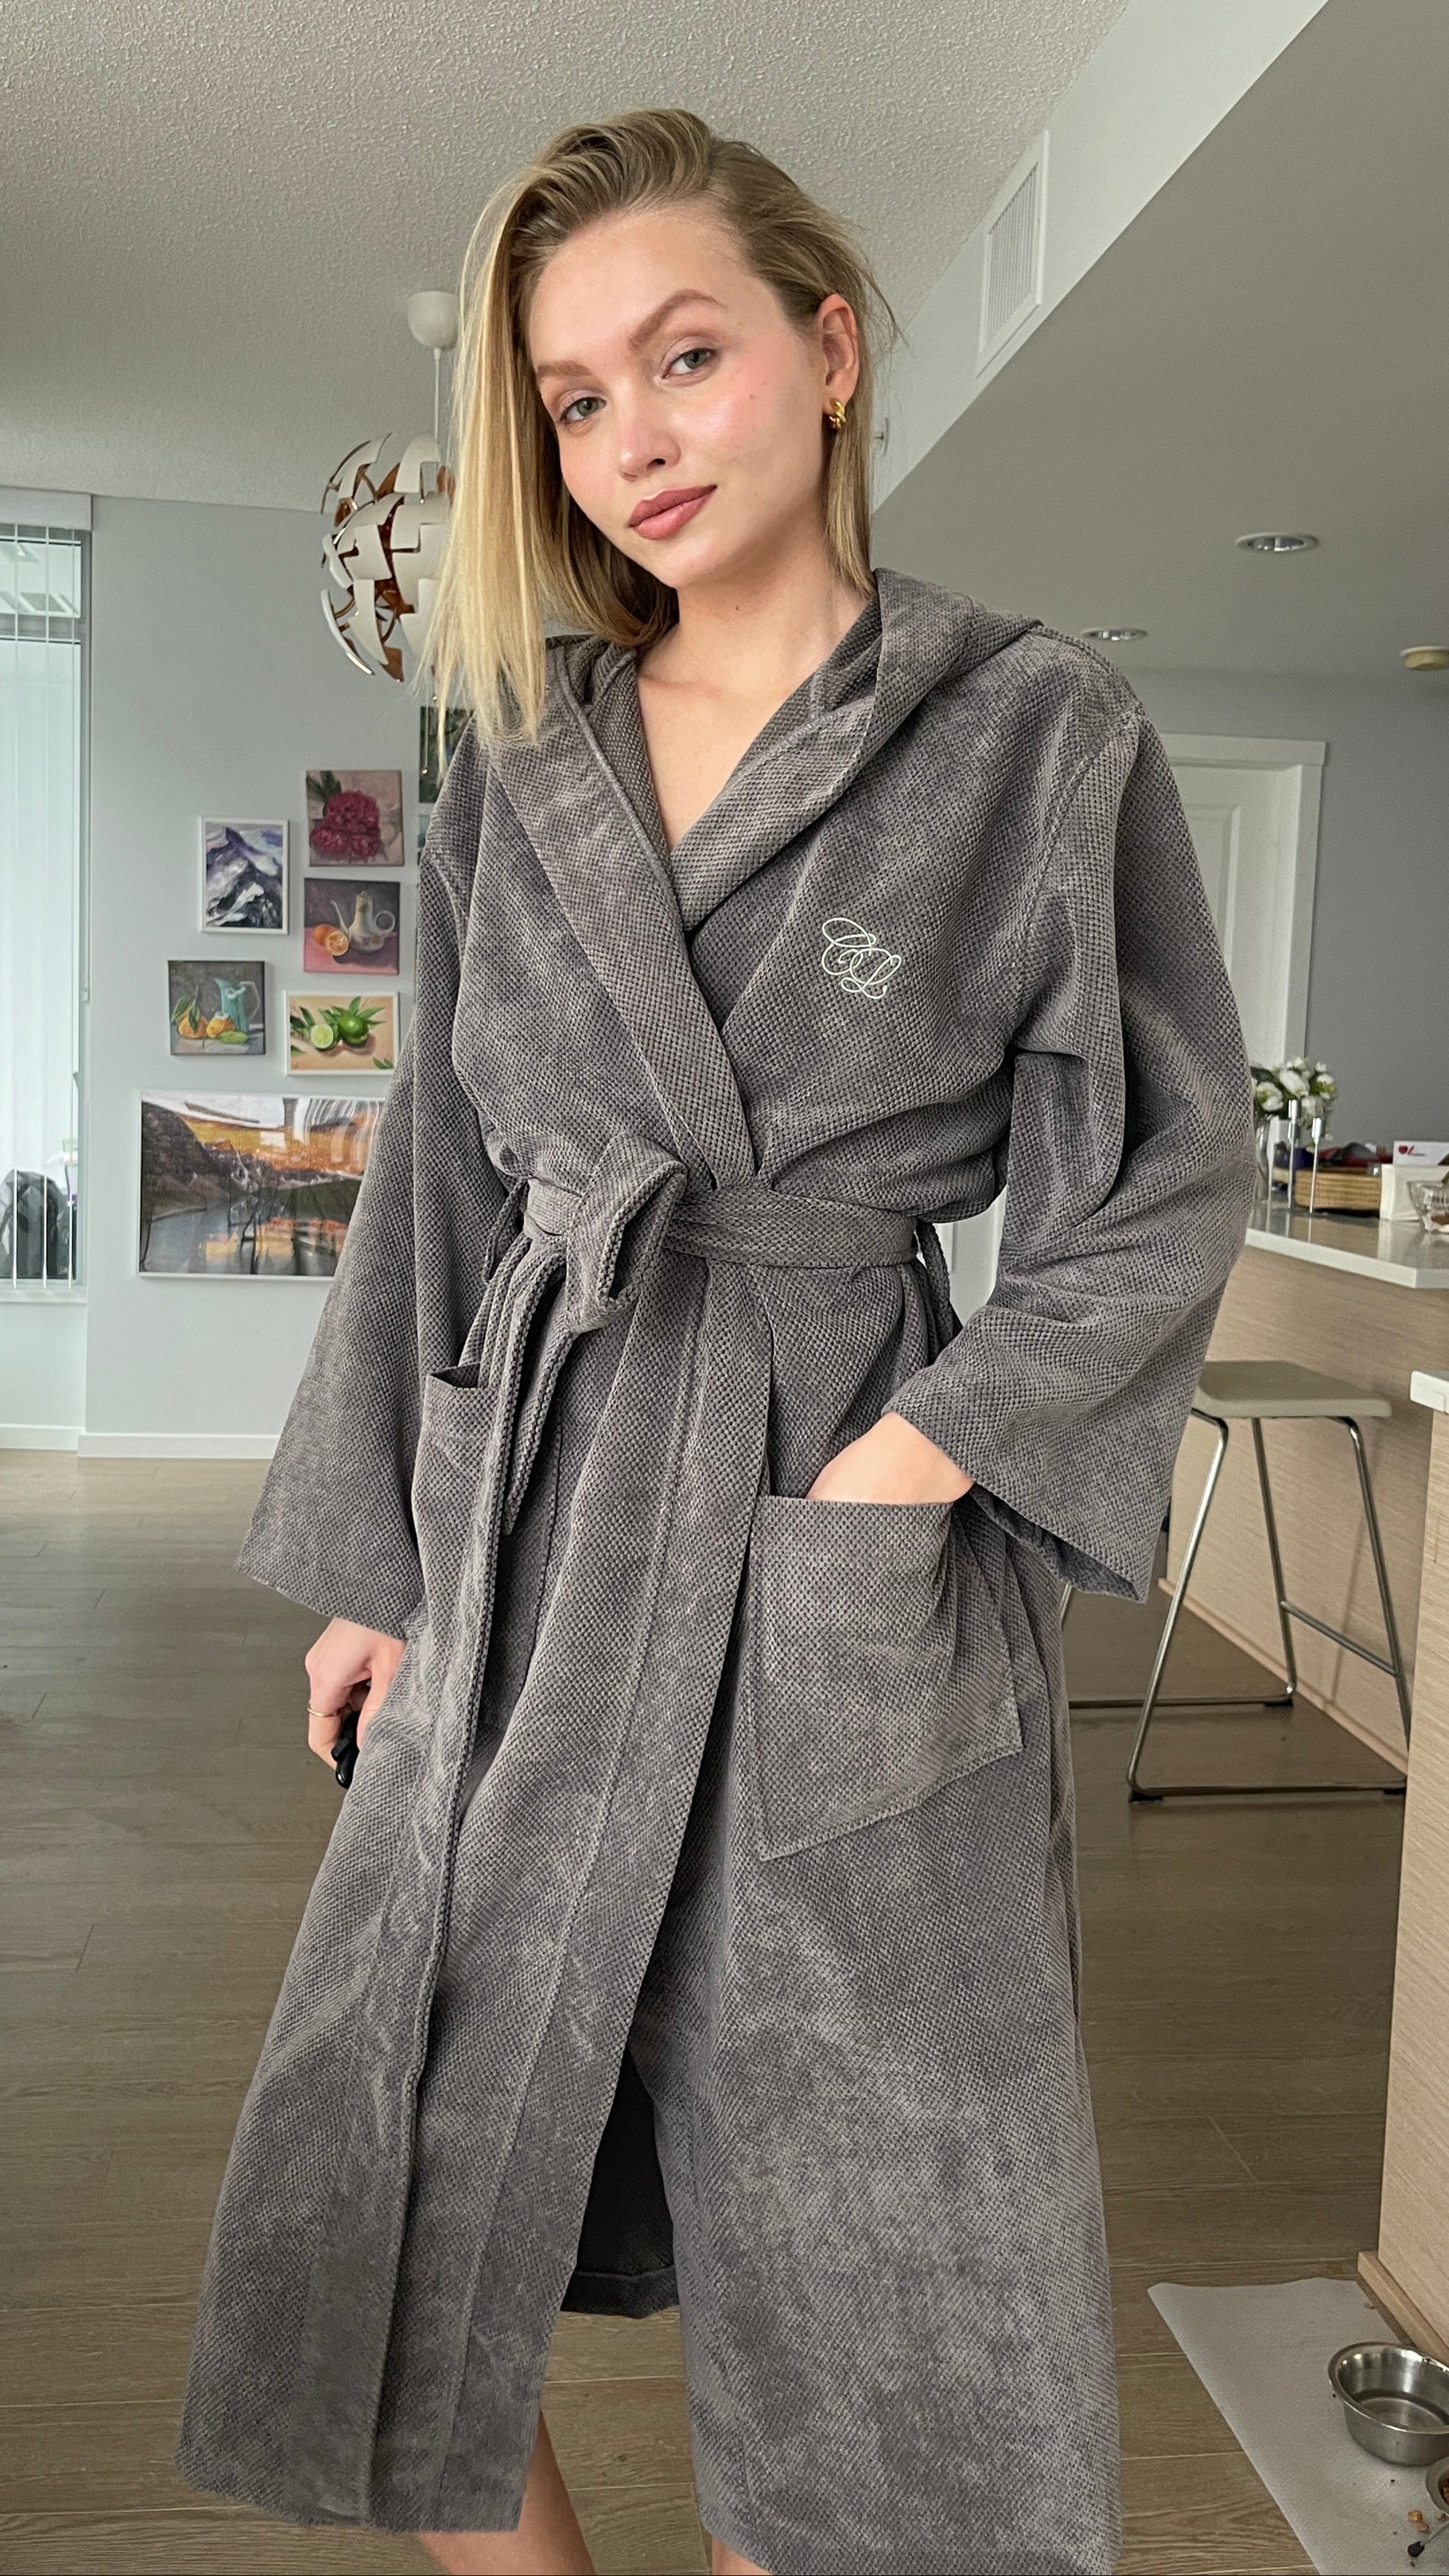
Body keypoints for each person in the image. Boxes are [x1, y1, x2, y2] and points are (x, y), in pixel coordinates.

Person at [176, 107, 1257, 2576]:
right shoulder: (516, 765)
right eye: (572, 400)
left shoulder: (1029, 730)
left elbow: (1165, 1167)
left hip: (831, 1509)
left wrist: (916, 1459)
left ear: (828, 349)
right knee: (382, 2160)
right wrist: (379, 1566)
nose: (632, 439)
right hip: (535, 1519)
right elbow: (438, 1182)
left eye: (684, 356)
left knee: (862, 2218)